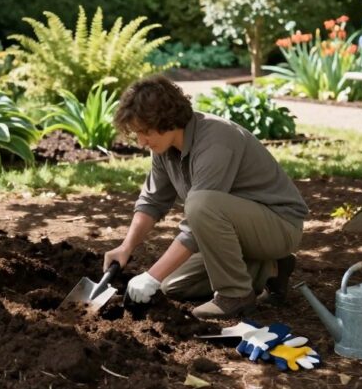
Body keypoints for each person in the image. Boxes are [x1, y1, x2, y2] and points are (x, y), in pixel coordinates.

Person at [103, 75, 308, 318]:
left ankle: (235, 295)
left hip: (279, 226)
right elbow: (152, 202)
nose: (141, 141)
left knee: (200, 204)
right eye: (136, 133)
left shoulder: (216, 140)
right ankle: (270, 268)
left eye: (145, 131)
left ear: (167, 119)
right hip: (240, 230)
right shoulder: (164, 148)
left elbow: (198, 218)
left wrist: (151, 276)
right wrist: (126, 247)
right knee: (172, 285)